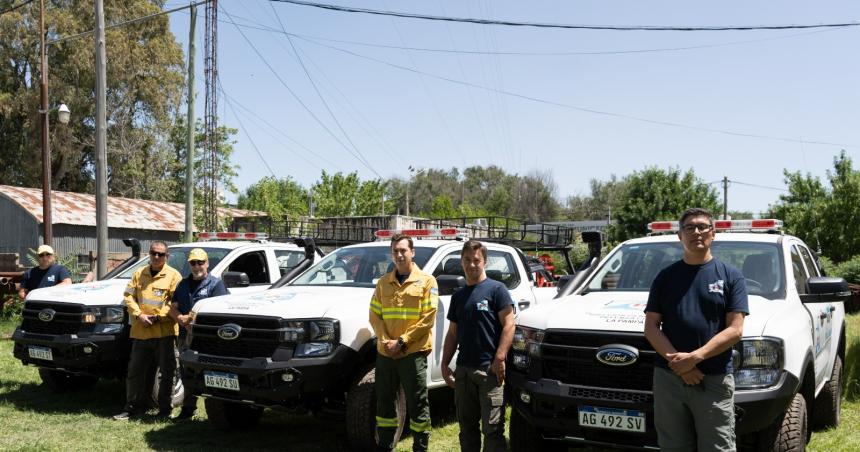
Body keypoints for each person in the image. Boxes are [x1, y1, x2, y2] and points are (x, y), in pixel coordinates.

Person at [643, 207, 749, 451]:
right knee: (673, 446)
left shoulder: (731, 276)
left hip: (712, 378)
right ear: (680, 236)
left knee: (717, 447)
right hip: (669, 379)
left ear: (713, 233)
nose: (696, 232)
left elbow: (735, 330)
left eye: (702, 227)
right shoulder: (665, 277)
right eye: (689, 228)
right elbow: (651, 327)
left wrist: (694, 358)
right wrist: (679, 366)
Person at [440, 240, 515, 452]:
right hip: (464, 371)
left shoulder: (497, 290)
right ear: (461, 262)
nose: (472, 265)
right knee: (466, 428)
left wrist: (499, 358)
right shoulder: (458, 296)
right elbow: (452, 334)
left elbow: (509, 324)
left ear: (485, 262)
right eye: (467, 260)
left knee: (492, 430)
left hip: (489, 371)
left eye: (476, 260)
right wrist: (445, 364)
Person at [369, 234, 439, 452]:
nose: (399, 255)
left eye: (403, 251)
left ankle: (420, 447)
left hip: (412, 353)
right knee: (384, 403)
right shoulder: (383, 283)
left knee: (418, 403)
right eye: (395, 251)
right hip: (386, 354)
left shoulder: (427, 281)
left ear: (412, 252)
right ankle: (385, 446)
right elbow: (374, 315)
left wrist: (402, 342)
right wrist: (385, 341)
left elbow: (428, 317)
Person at [113, 241, 182, 420]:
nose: (156, 257)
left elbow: (175, 304)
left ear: (167, 256)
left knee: (167, 374)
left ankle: (165, 410)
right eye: (153, 253)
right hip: (141, 332)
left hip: (164, 333)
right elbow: (128, 296)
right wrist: (138, 315)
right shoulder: (139, 273)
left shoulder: (174, 276)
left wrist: (158, 317)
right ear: (149, 254)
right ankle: (132, 408)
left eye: (160, 254)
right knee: (135, 372)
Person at [168, 248, 229, 420]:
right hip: (185, 337)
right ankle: (188, 409)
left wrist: (194, 321)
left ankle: (219, 410)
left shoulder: (216, 285)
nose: (197, 266)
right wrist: (180, 318)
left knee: (213, 373)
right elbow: (172, 307)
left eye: (200, 262)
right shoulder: (183, 284)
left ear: (207, 263)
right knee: (187, 372)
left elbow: (220, 312)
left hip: (208, 340)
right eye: (193, 263)